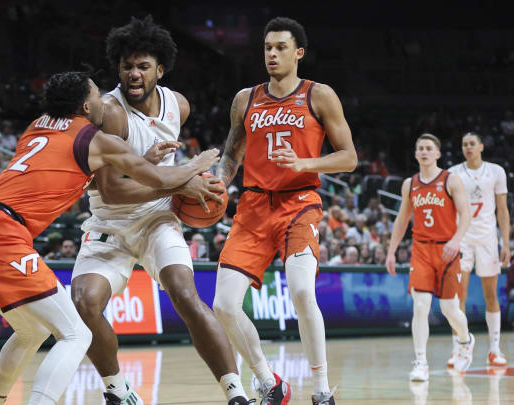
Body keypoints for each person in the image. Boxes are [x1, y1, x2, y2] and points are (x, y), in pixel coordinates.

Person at [0, 70, 219, 405]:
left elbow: (74, 176)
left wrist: (140, 159)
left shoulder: (39, 125)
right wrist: (197, 165)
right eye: (95, 94)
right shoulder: (96, 138)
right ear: (86, 106)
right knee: (76, 334)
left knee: (32, 330)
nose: (102, 98)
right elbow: (154, 178)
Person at [70, 17, 255, 405]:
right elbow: (115, 192)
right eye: (126, 66)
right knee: (84, 303)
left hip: (156, 219)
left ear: (161, 69)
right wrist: (178, 181)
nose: (133, 74)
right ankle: (118, 391)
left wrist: (176, 182)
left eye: (142, 66)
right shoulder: (110, 112)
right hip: (111, 222)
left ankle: (236, 393)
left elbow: (154, 174)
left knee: (186, 294)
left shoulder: (179, 106)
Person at [213, 17, 358, 405]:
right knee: (223, 305)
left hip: (299, 204)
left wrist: (305, 164)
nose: (272, 54)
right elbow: (231, 155)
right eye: (267, 48)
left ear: (299, 53)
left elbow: (349, 158)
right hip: (253, 207)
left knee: (300, 290)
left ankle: (322, 390)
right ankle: (268, 381)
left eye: (280, 47)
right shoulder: (245, 98)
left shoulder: (319, 94)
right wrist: (215, 183)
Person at [386, 133, 475, 382]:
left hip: (447, 250)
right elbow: (402, 219)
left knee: (449, 309)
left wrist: (456, 241)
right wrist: (391, 251)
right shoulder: (410, 184)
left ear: (437, 153)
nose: (424, 152)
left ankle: (465, 340)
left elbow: (466, 215)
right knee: (421, 306)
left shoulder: (451, 180)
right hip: (421, 250)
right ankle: (420, 362)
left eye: (428, 148)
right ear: (415, 154)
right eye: (420, 148)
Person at [448, 132, 510, 367]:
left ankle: (494, 349)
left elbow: (502, 210)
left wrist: (505, 243)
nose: (468, 147)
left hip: (487, 238)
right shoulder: (453, 172)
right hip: (461, 237)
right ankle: (459, 350)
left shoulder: (496, 171)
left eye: (472, 144)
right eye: (464, 144)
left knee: (491, 294)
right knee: (458, 295)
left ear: (482, 146)